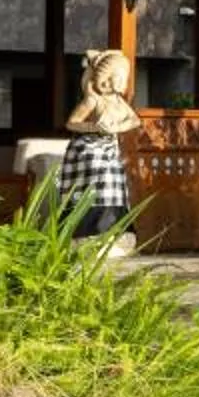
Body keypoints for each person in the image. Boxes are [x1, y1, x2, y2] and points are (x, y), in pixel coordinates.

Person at [58, 48, 142, 249]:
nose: (123, 83)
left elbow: (134, 120)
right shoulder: (93, 100)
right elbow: (71, 123)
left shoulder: (118, 101)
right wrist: (95, 127)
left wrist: (117, 127)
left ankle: (112, 226)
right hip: (88, 148)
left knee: (115, 175)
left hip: (108, 148)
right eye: (119, 78)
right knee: (100, 171)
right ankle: (87, 229)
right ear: (107, 78)